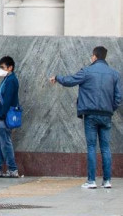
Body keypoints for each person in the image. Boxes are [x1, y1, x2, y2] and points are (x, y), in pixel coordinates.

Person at [50, 46, 122, 189]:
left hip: (90, 114)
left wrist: (57, 77)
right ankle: (107, 181)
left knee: (91, 147)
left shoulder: (87, 71)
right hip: (106, 115)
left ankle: (91, 181)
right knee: (106, 148)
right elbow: (118, 98)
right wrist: (109, 109)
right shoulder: (114, 74)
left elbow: (70, 80)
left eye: (92, 56)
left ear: (94, 56)